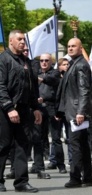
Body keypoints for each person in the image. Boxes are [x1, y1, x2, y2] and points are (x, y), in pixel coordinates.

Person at [0, 30, 42, 192]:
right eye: (19, 39)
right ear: (11, 41)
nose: (23, 42)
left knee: (22, 146)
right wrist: (9, 107)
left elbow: (32, 88)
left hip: (25, 110)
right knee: (3, 146)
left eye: (24, 39)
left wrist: (36, 108)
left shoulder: (27, 62)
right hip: (5, 110)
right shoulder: (3, 60)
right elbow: (1, 85)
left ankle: (21, 182)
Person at [56, 37, 92, 188]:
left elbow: (85, 90)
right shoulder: (74, 64)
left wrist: (80, 112)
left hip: (76, 111)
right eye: (68, 46)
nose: (70, 48)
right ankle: (87, 177)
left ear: (81, 49)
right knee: (82, 144)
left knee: (75, 145)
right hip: (73, 110)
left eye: (73, 46)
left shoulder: (81, 65)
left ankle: (75, 177)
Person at [36, 53, 67, 174]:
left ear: (51, 62)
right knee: (38, 138)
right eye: (42, 60)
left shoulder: (54, 73)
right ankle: (39, 165)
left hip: (52, 108)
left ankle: (61, 165)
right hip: (39, 109)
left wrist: (42, 79)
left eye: (46, 60)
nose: (44, 62)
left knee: (56, 138)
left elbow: (53, 81)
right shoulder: (36, 73)